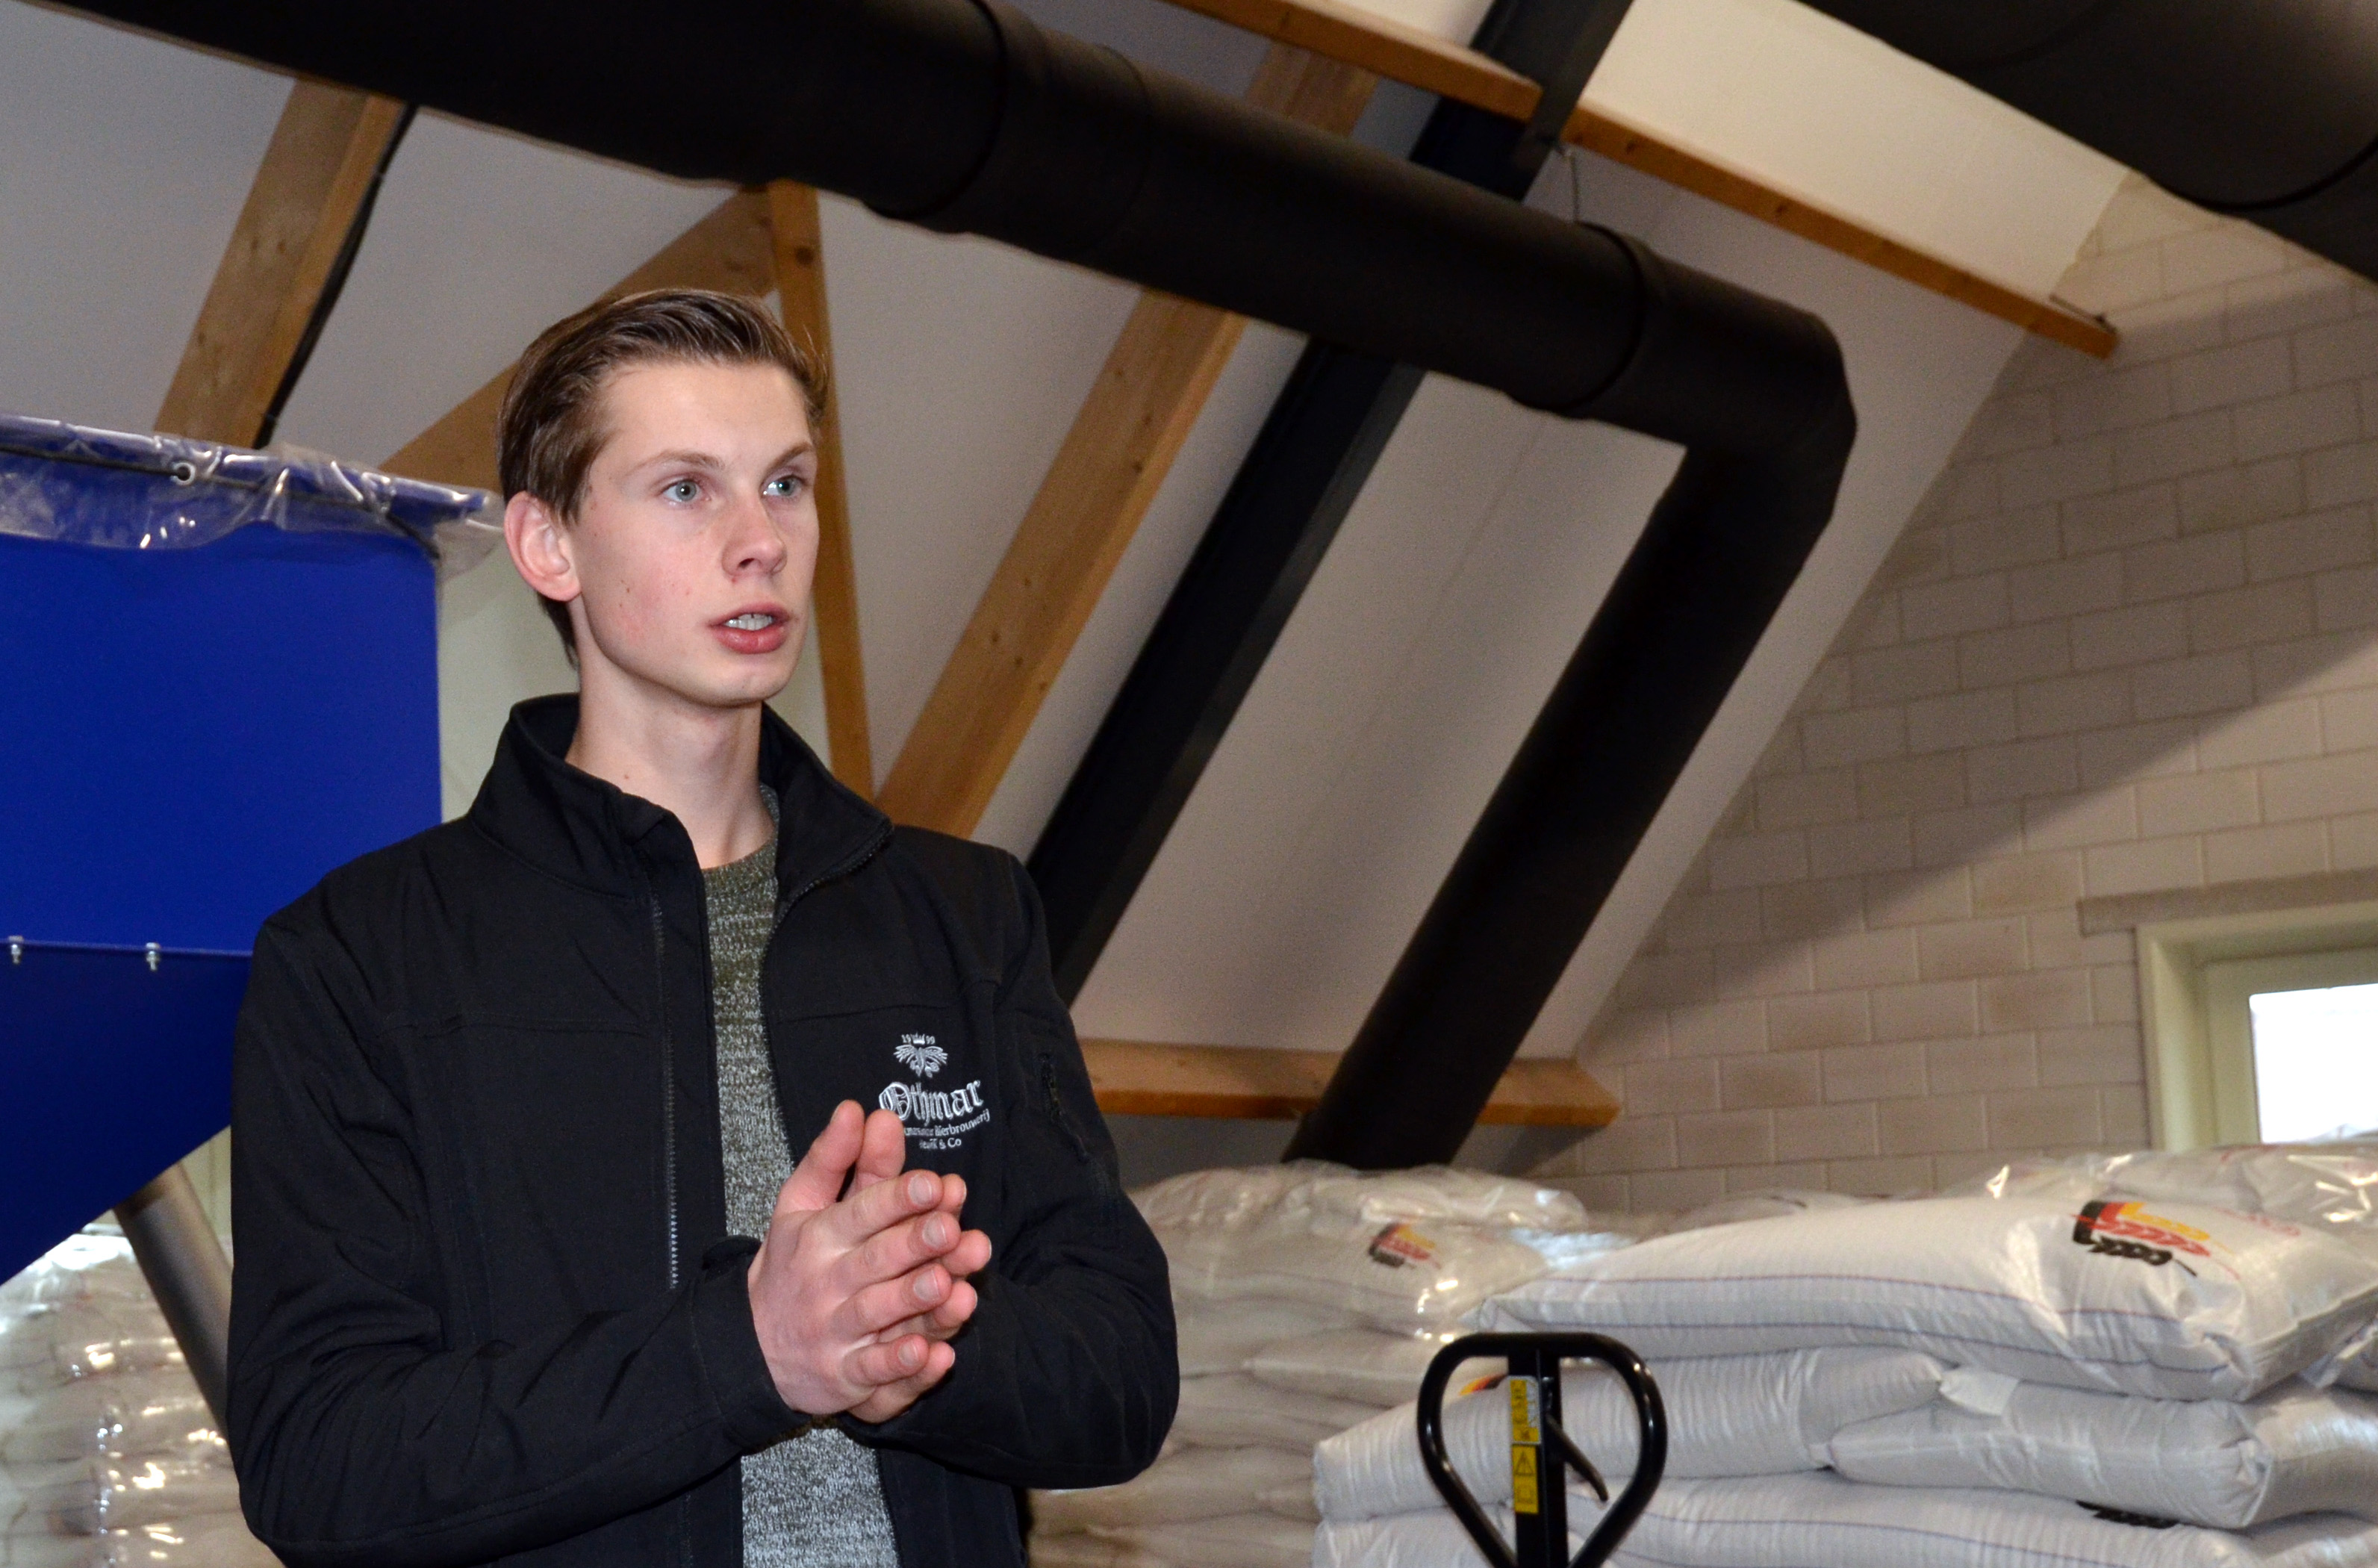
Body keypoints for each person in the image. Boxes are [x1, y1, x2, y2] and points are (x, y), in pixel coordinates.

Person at [224, 288, 1177, 1568]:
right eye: (685, 489)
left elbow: (1122, 1377)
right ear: (548, 545)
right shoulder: (363, 956)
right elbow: (323, 1464)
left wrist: (919, 1347)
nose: (760, 542)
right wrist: (752, 1351)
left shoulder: (964, 914)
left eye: (786, 485)